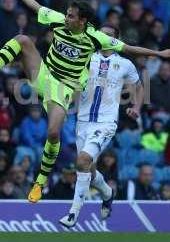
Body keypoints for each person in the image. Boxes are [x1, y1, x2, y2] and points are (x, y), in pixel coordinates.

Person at [0, 0, 170, 204]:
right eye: (66, 14)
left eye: (71, 16)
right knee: (23, 40)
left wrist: (159, 53)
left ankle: (39, 182)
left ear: (82, 20)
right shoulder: (58, 21)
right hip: (44, 73)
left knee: (53, 133)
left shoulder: (96, 37)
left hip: (63, 87)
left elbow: (128, 48)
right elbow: (37, 7)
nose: (66, 18)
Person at [59, 24, 144, 227]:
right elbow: (70, 82)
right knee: (89, 169)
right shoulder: (87, 57)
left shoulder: (124, 64)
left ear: (116, 40)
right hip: (83, 121)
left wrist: (136, 106)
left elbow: (139, 87)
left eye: (108, 35)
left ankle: (73, 213)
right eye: (101, 34)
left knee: (82, 162)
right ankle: (107, 193)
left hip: (106, 123)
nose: (103, 37)